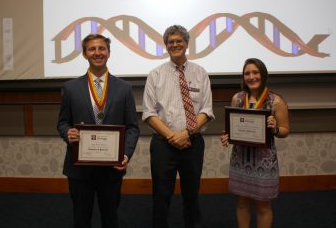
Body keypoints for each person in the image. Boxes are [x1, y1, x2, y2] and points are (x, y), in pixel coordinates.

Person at [57, 33, 139, 228]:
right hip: (79, 169)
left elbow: (133, 128)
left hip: (112, 169)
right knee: (81, 218)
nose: (97, 52)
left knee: (110, 218)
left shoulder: (124, 88)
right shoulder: (70, 88)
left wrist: (126, 155)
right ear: (85, 54)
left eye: (101, 48)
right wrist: (67, 133)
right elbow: (62, 122)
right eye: (92, 49)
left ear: (109, 53)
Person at [142, 25, 215, 228]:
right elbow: (149, 113)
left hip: (193, 143)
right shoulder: (155, 74)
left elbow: (207, 110)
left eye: (178, 41)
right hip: (163, 145)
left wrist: (186, 133)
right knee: (161, 195)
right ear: (166, 46)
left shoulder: (200, 73)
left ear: (186, 44)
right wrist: (172, 137)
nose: (175, 45)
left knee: (192, 195)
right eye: (170, 42)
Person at [221, 58, 290, 228]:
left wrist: (275, 129)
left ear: (263, 74)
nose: (251, 77)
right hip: (240, 159)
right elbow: (232, 129)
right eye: (247, 73)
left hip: (264, 162)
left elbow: (285, 131)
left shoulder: (276, 101)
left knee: (263, 206)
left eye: (255, 72)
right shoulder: (237, 98)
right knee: (242, 203)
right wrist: (227, 136)